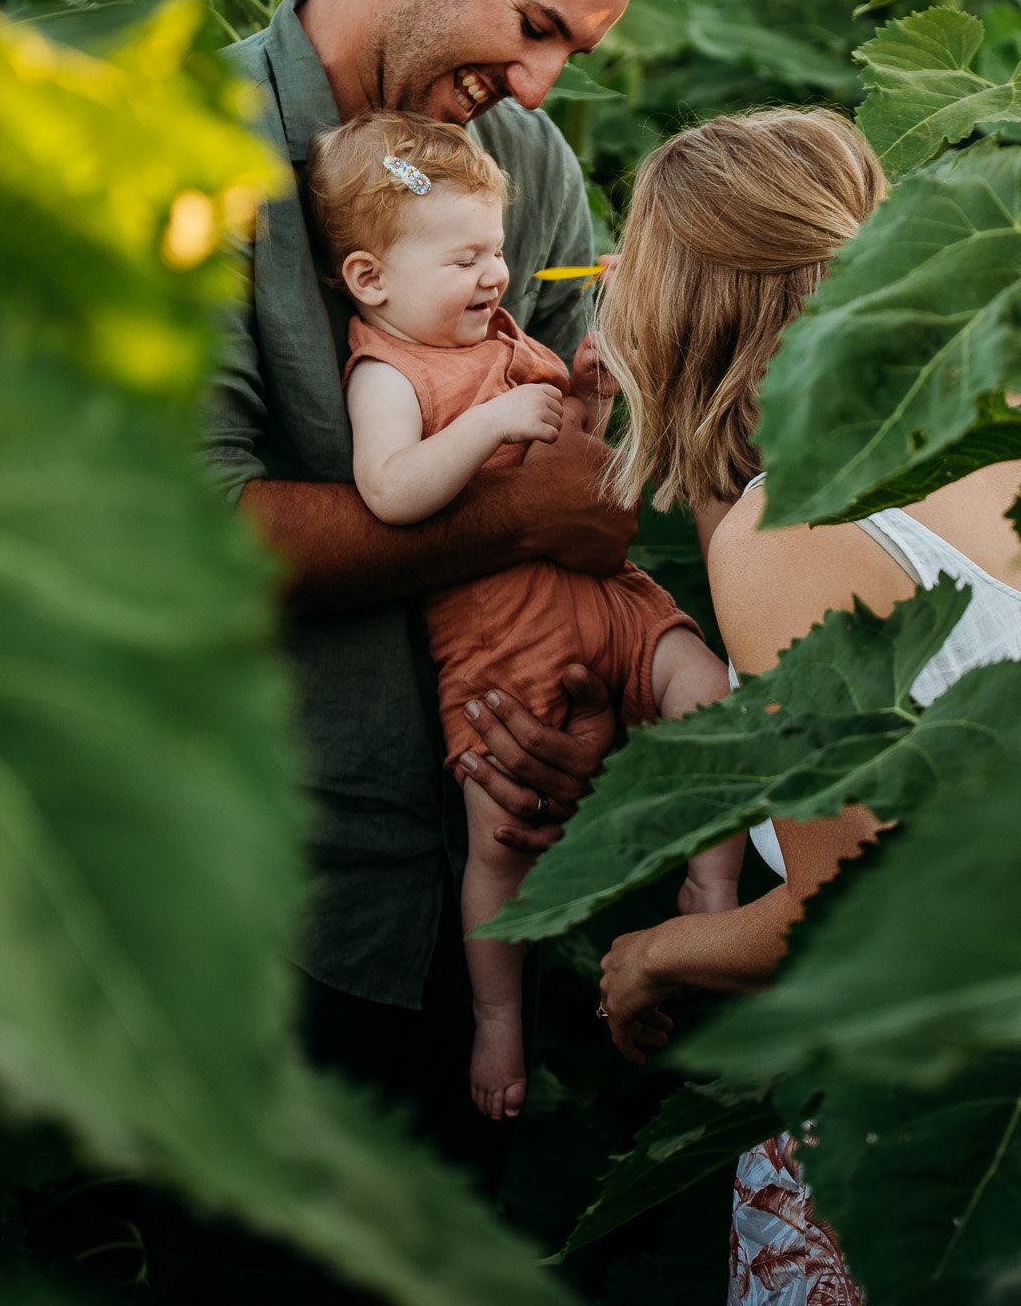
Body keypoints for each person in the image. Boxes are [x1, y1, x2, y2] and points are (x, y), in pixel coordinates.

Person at [586, 107, 1021, 1306]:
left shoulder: (797, 521)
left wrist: (662, 958)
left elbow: (863, 920)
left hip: (951, 1151)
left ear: (682, 314)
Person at [207, 0, 671, 1120]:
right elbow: (188, 537)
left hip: (490, 868)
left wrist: (573, 700)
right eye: (534, 28)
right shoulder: (191, 150)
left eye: (571, 52)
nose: (537, 84)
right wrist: (523, 516)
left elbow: (591, 493)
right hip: (258, 884)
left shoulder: (523, 163)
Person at [308, 108, 738, 1120]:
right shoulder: (388, 374)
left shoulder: (499, 339)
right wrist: (496, 418)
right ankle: (498, 1017)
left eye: (496, 252)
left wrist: (584, 401)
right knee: (498, 842)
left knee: (712, 693)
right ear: (372, 282)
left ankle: (714, 886)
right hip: (504, 641)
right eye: (463, 258)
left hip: (608, 603)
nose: (496, 277)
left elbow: (561, 470)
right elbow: (392, 492)